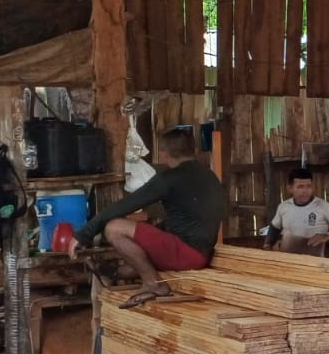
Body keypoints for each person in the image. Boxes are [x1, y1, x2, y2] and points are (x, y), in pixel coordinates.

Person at [71, 127, 227, 308]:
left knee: (114, 228)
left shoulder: (169, 178)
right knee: (143, 245)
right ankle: (114, 272)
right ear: (193, 150)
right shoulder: (210, 176)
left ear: (163, 154)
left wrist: (83, 234)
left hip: (187, 254)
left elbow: (125, 205)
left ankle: (154, 284)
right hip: (204, 252)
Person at [263, 168, 329, 256]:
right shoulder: (284, 207)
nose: (305, 191)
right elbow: (274, 227)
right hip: (288, 257)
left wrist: (328, 236)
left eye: (309, 186)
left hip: (314, 258)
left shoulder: (323, 206)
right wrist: (267, 244)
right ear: (290, 188)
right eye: (300, 187)